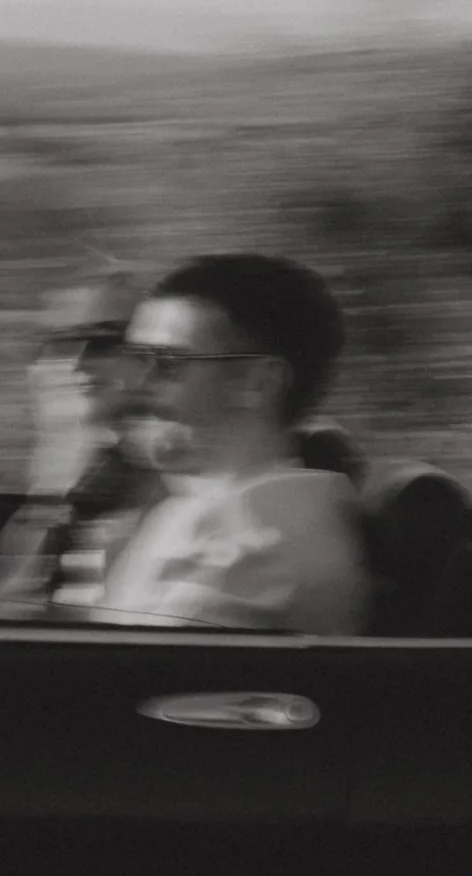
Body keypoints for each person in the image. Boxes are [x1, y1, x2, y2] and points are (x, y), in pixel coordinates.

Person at [93, 252, 369, 636]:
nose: (134, 384)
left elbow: (123, 683)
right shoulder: (204, 513)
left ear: (255, 383)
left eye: (167, 363)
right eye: (135, 359)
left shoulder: (243, 546)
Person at [0, 268, 161, 614]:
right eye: (56, 344)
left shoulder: (163, 499)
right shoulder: (62, 495)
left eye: (101, 343)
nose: (73, 362)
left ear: (153, 356)